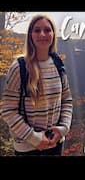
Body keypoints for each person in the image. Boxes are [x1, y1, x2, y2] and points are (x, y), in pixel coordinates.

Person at [0, 14, 73, 156]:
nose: (42, 34)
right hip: (28, 148)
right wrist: (34, 138)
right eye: (37, 30)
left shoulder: (58, 64)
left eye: (47, 30)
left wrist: (63, 129)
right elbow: (8, 110)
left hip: (55, 144)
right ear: (30, 35)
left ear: (53, 34)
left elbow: (67, 100)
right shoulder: (19, 67)